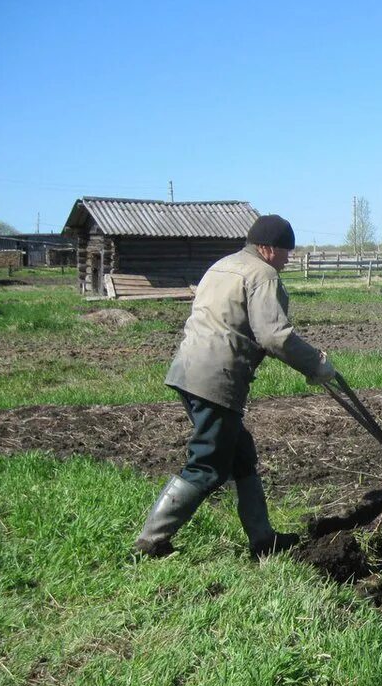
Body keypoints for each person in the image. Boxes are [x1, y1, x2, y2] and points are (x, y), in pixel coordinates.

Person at [133, 214, 335, 559]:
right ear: (268, 248)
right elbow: (273, 336)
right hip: (216, 377)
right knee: (207, 465)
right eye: (286, 252)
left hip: (187, 369)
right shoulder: (262, 274)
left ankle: (263, 539)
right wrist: (316, 364)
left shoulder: (223, 265)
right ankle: (151, 542)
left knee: (241, 455)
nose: (288, 259)